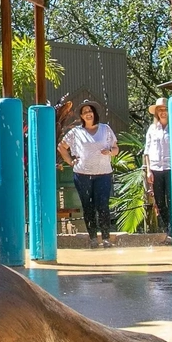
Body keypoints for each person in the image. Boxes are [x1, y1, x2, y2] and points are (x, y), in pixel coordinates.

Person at [58, 100, 119, 248]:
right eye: (85, 112)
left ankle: (105, 237)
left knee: (103, 205)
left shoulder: (105, 129)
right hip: (82, 174)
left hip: (103, 173)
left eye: (90, 111)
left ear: (94, 114)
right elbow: (61, 147)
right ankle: (92, 238)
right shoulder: (75, 132)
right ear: (81, 116)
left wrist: (110, 152)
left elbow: (116, 148)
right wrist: (70, 161)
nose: (88, 114)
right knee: (88, 206)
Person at [144, 97, 172, 242]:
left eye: (165, 109)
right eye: (160, 109)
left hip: (170, 168)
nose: (163, 112)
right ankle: (168, 230)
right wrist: (148, 170)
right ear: (156, 112)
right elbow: (147, 150)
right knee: (160, 202)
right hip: (155, 168)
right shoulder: (152, 128)